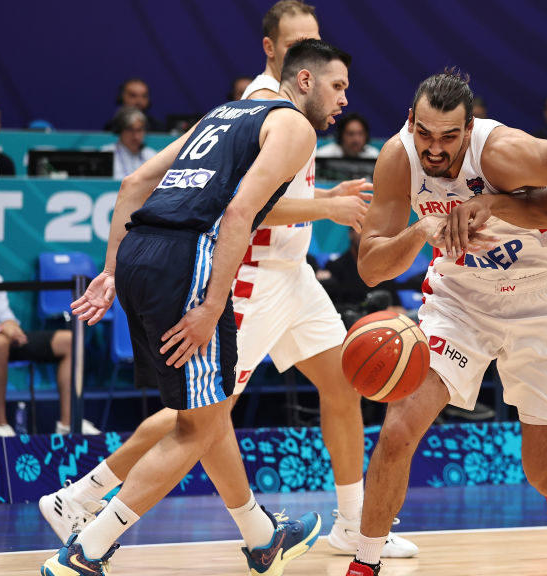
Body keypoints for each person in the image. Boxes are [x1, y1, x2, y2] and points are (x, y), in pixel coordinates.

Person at [40, 2, 414, 560]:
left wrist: (321, 198)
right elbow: (245, 208)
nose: (313, 51)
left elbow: (141, 185)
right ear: (278, 53)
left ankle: (350, 524)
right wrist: (326, 208)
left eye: (315, 38)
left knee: (342, 383)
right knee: (199, 418)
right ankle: (83, 498)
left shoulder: (260, 111)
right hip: (247, 278)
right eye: (300, 43)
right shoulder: (270, 108)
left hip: (292, 275)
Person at [345, 70, 547, 576]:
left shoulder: (504, 151)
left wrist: (494, 205)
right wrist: (420, 230)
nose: (434, 148)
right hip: (460, 302)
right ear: (410, 122)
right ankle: (365, 561)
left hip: (543, 300)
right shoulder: (398, 158)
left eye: (449, 136)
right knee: (399, 427)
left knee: (543, 474)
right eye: (424, 133)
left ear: (470, 129)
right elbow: (370, 268)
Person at [0, 208, 100, 436]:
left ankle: (68, 422)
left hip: (1, 334)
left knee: (69, 340)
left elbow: (5, 313)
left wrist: (11, 327)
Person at [101, 107, 157, 179]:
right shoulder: (106, 154)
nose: (136, 136)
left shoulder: (152, 156)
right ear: (120, 130)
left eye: (139, 130)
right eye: (130, 130)